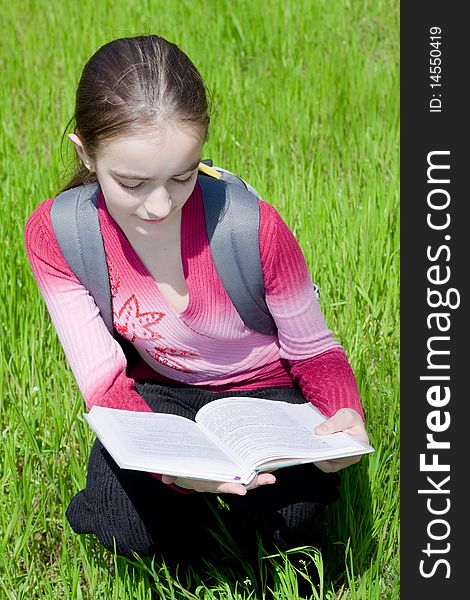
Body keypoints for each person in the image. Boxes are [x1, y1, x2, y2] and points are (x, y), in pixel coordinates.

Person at [24, 34, 369, 567]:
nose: (159, 205)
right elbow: (103, 383)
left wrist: (342, 409)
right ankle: (193, 551)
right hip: (165, 392)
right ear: (85, 154)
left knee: (292, 522)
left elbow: (315, 353)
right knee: (123, 521)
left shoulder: (252, 228)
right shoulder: (59, 232)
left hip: (266, 396)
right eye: (132, 183)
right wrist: (168, 466)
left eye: (183, 177)